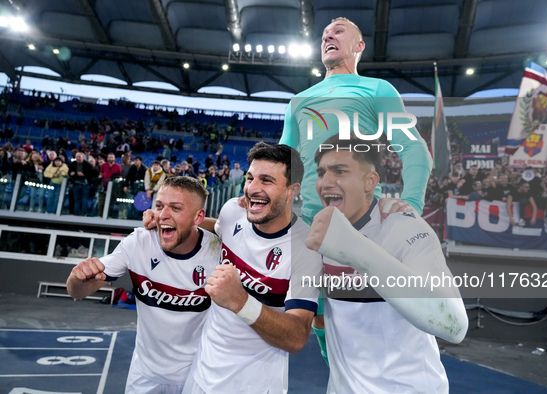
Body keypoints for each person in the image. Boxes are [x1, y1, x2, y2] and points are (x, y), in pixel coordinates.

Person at [305, 135, 467, 393]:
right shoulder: (319, 234)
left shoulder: (402, 226)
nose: (326, 182)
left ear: (370, 181)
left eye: (339, 171)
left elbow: (455, 325)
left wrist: (357, 250)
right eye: (321, 173)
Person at [181, 142, 323, 393]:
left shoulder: (306, 249)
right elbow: (214, 229)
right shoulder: (232, 212)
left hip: (254, 385)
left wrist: (240, 300)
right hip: (201, 376)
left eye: (266, 180)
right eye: (250, 178)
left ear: (292, 190)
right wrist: (169, 222)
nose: (252, 188)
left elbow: (296, 337)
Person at [66, 176, 221, 393]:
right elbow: (79, 291)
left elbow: (243, 230)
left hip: (200, 373)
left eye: (176, 208)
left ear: (199, 217)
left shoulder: (219, 251)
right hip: (145, 373)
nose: (163, 215)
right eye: (159, 206)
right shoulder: (139, 242)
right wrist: (76, 278)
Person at [279, 17, 432, 221]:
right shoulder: (298, 101)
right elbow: (281, 163)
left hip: (363, 224)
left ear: (359, 45)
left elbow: (413, 147)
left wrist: (412, 204)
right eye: (324, 36)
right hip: (309, 224)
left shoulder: (378, 89)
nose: (328, 37)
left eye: (339, 31)